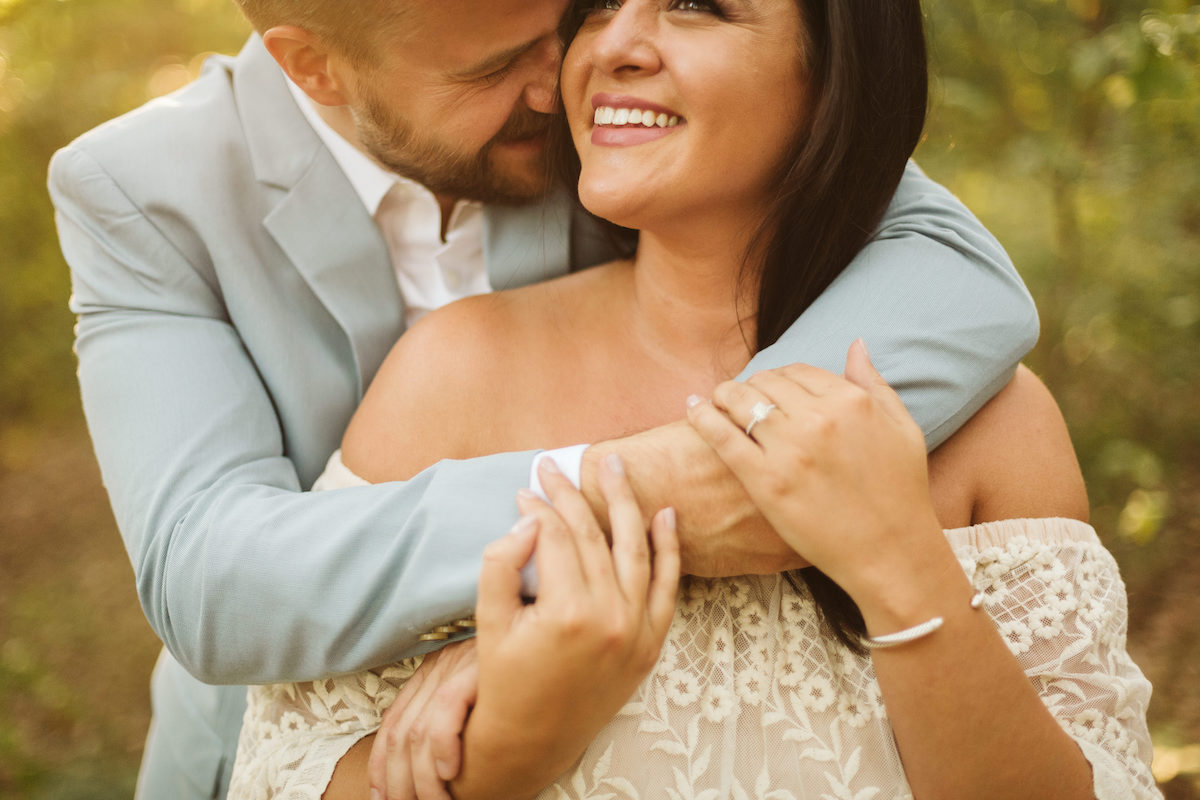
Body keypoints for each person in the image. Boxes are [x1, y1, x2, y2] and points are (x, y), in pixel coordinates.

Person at [47, 0, 1040, 796]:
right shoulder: (141, 188)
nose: (554, 80)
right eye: (489, 71)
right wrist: (621, 507)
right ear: (314, 68)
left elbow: (959, 275)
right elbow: (210, 576)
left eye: (561, 22)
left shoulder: (618, 100)